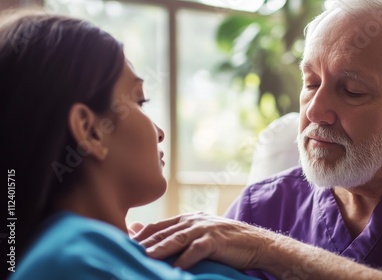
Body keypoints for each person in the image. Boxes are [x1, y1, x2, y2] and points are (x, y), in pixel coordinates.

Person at [132, 0, 382, 279]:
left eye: (352, 90)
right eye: (310, 83)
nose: (315, 111)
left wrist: (269, 249)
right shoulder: (261, 207)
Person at [0, 8, 256, 280]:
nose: (159, 133)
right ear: (91, 131)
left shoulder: (127, 256)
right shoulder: (70, 261)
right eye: (139, 101)